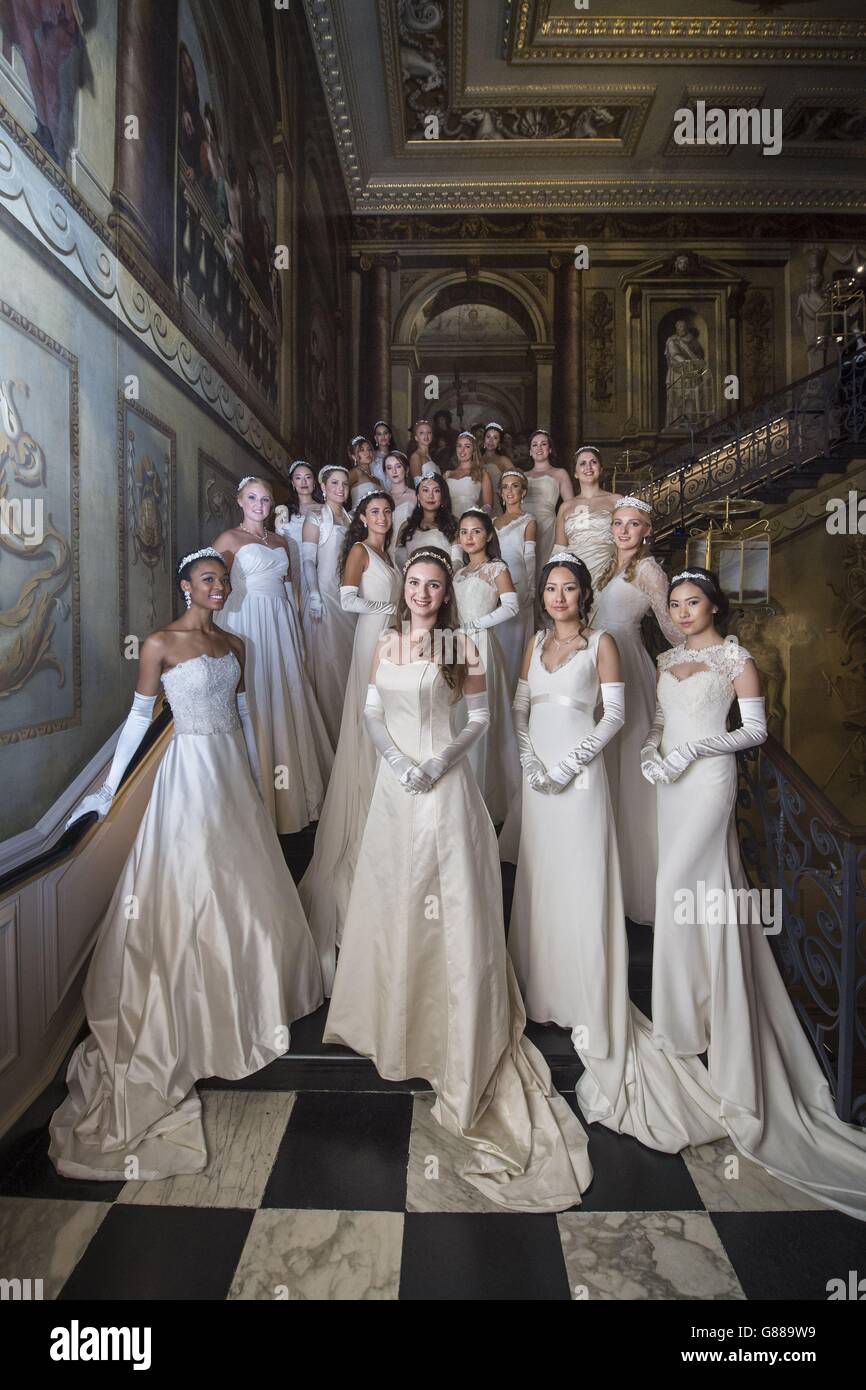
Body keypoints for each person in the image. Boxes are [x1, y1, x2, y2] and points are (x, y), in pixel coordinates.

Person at [323, 549, 593, 1212]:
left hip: (445, 791)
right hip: (395, 790)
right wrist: (393, 758)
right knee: (394, 903)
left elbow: (480, 721)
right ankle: (391, 1022)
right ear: (405, 589)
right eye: (412, 582)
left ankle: (454, 1029)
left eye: (432, 584)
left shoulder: (462, 645)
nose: (420, 592)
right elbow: (369, 713)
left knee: (449, 908)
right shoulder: (386, 640)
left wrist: (440, 759)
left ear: (446, 593)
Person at [49, 549, 323, 1180]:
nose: (219, 587)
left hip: (231, 773)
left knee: (245, 884)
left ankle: (252, 989)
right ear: (185, 585)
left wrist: (256, 781)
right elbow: (137, 723)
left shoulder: (237, 644)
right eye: (208, 580)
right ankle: (199, 1001)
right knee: (195, 883)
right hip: (189, 775)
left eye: (224, 580)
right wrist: (106, 792)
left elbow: (248, 718)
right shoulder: (159, 645)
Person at [641, 568, 866, 1218]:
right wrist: (655, 753)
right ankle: (686, 1009)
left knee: (683, 880)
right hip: (671, 785)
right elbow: (659, 718)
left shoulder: (736, 658)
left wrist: (691, 754)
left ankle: (700, 1012)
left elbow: (755, 732)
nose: (683, 611)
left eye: (693, 602)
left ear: (714, 604)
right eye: (676, 603)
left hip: (710, 782)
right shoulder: (664, 657)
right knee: (682, 891)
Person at [507, 553, 727, 1154]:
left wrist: (573, 763)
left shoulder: (602, 642)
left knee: (581, 876)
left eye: (568, 588)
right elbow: (520, 708)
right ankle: (541, 982)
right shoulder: (532, 644)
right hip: (538, 776)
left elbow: (618, 716)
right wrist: (529, 761)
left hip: (579, 776)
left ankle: (582, 991)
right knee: (542, 877)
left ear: (583, 594)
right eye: (550, 588)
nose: (558, 596)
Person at [299, 492, 400, 991]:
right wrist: (383, 606)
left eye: (385, 512)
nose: (380, 517)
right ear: (362, 518)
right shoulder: (360, 550)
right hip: (370, 635)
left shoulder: (393, 553)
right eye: (374, 512)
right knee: (369, 711)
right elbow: (345, 596)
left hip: (395, 636)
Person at [213, 476, 333, 832]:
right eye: (252, 498)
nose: (260, 506)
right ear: (239, 500)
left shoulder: (281, 541)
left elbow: (291, 588)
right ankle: (256, 795)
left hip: (280, 622)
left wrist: (295, 631)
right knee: (254, 693)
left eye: (265, 500)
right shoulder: (228, 540)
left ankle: (294, 796)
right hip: (245, 619)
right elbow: (214, 587)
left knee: (285, 692)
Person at [591, 496, 682, 925]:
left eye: (634, 524)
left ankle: (633, 882)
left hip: (626, 661)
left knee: (625, 763)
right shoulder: (611, 566)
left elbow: (671, 625)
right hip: (598, 658)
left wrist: (699, 653)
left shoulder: (648, 570)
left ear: (647, 531)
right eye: (618, 523)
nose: (624, 530)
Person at [453, 509, 521, 824]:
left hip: (481, 643)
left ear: (488, 536)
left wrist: (477, 624)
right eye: (464, 532)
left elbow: (511, 605)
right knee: (459, 715)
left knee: (481, 715)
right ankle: (460, 792)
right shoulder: (459, 573)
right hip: (456, 645)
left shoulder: (496, 568)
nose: (469, 537)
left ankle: (486, 796)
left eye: (476, 531)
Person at [299, 465, 356, 747]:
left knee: (348, 663)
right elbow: (308, 560)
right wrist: (314, 595)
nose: (340, 488)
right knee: (328, 661)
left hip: (348, 597)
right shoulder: (315, 517)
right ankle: (329, 737)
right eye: (335, 483)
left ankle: (349, 732)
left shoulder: (352, 518)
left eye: (345, 483)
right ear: (323, 486)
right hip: (324, 596)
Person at [493, 468, 536, 694]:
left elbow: (529, 557)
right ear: (500, 493)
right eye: (505, 487)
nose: (510, 491)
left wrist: (530, 587)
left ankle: (512, 697)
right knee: (496, 642)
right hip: (494, 584)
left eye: (515, 486)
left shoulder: (528, 521)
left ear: (524, 492)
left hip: (518, 581)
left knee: (513, 644)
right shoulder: (492, 521)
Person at [553, 445, 619, 591]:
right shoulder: (566, 506)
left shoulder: (616, 500)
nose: (588, 467)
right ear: (576, 473)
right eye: (582, 463)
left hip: (609, 570)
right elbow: (560, 548)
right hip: (575, 572)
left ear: (601, 469)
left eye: (593, 462)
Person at [523, 429, 574, 596]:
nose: (539, 448)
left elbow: (570, 505)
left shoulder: (559, 473)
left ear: (550, 449)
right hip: (523, 525)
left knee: (544, 568)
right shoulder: (523, 476)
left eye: (544, 444)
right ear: (530, 451)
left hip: (548, 526)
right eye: (535, 445)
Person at [273, 459, 323, 612]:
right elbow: (278, 541)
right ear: (293, 483)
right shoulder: (284, 510)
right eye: (298, 477)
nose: (303, 481)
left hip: (318, 565)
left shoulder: (325, 508)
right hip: (293, 567)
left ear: (314, 482)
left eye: (308, 477)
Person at [394, 471, 462, 570]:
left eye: (436, 491)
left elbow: (457, 561)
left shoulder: (453, 524)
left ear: (443, 496)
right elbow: (399, 561)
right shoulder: (406, 526)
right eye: (425, 490)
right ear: (418, 496)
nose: (430, 496)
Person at [445, 430, 494, 516]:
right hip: (449, 520)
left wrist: (475, 520)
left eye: (467, 446)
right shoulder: (447, 474)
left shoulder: (482, 473)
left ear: (473, 451)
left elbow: (488, 505)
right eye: (459, 446)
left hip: (471, 520)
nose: (462, 450)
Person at [382, 452, 416, 560]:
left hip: (407, 549)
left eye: (398, 466)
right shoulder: (382, 498)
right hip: (384, 549)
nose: (394, 471)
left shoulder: (415, 496)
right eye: (389, 468)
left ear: (406, 470)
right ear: (386, 472)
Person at [346, 435, 379, 510]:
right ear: (354, 456)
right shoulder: (356, 473)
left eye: (369, 449)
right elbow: (340, 487)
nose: (367, 452)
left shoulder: (377, 480)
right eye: (361, 450)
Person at [371, 420, 395, 488]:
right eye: (379, 434)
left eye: (385, 433)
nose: (383, 436)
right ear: (375, 438)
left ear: (390, 436)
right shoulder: (371, 457)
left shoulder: (396, 456)